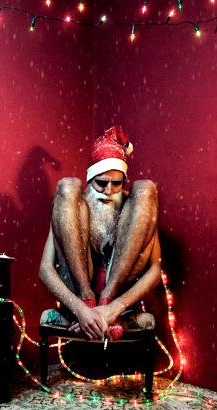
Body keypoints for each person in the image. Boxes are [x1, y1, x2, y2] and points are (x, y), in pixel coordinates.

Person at [39, 126, 161, 341]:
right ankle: (88, 300)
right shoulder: (72, 208)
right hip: (79, 296)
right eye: (101, 183)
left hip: (117, 300)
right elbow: (45, 269)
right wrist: (80, 309)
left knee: (146, 189)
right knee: (67, 186)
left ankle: (106, 301)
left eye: (117, 183)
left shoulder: (135, 210)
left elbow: (154, 270)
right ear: (90, 179)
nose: (108, 191)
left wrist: (115, 307)